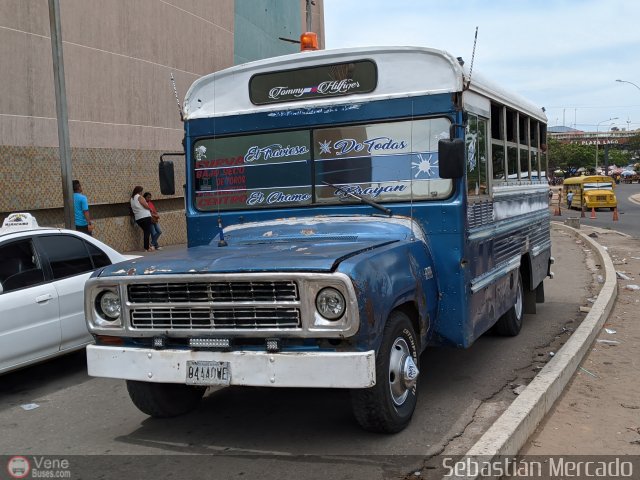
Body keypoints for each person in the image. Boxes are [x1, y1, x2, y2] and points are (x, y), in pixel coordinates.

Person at [130, 186, 154, 252]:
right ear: (139, 191)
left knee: (146, 231)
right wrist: (150, 209)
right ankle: (146, 247)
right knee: (147, 231)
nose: (142, 192)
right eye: (141, 191)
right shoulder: (139, 197)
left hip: (138, 218)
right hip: (145, 216)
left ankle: (147, 246)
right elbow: (145, 205)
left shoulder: (132, 199)